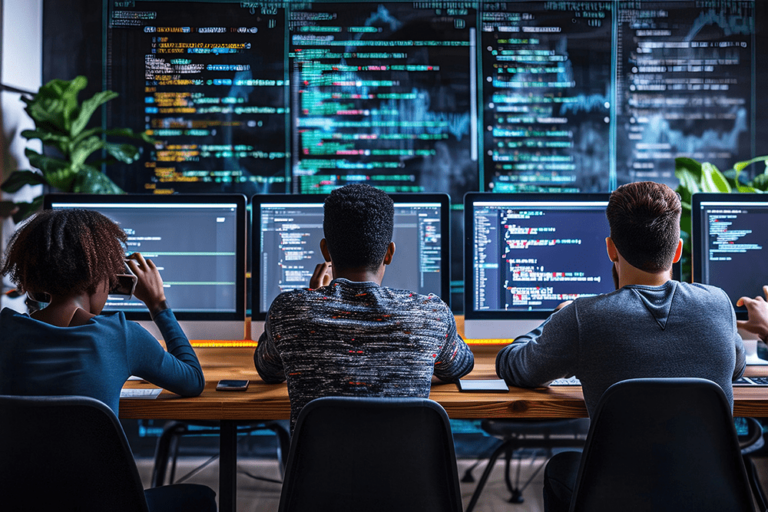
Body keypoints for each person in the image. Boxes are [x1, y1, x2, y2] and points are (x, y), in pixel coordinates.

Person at [494, 181, 746, 512]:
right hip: (713, 493)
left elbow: (514, 367)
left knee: (561, 467)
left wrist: (558, 319)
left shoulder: (583, 317)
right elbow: (737, 367)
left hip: (617, 499)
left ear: (611, 248)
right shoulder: (718, 303)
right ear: (678, 250)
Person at [0, 209, 215, 512]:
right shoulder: (122, 336)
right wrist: (159, 305)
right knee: (201, 497)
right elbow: (193, 380)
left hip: (18, 502)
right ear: (98, 275)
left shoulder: (5, 332)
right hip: (104, 505)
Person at [254, 183, 474, 431]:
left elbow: (268, 370)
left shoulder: (289, 311)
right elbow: (459, 366)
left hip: (320, 470)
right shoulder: (431, 315)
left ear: (326, 251)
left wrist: (311, 302)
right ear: (389, 253)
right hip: (406, 470)